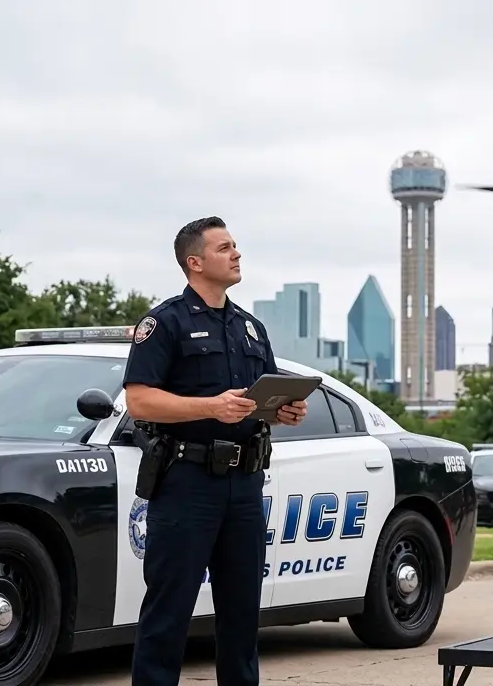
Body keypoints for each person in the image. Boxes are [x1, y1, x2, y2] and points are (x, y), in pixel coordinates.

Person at [123, 216, 309, 686]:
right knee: (169, 613)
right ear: (195, 262)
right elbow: (139, 399)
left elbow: (263, 398)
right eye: (224, 247)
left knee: (242, 614)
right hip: (187, 483)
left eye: (235, 246)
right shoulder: (164, 323)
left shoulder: (250, 328)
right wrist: (210, 407)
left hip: (244, 486)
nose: (236, 254)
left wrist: (282, 412)